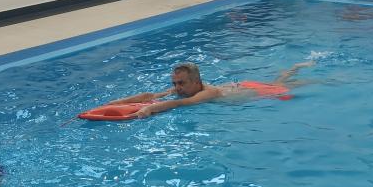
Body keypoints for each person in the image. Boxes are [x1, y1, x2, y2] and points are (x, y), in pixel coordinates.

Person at [109, 61, 315, 118]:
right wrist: (119, 102)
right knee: (279, 81)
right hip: (241, 85)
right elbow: (152, 95)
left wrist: (149, 109)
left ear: (196, 82)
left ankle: (318, 77)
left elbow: (181, 103)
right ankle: (295, 68)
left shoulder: (208, 93)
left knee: (285, 86)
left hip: (258, 92)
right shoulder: (183, 89)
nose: (176, 88)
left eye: (181, 83)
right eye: (175, 83)